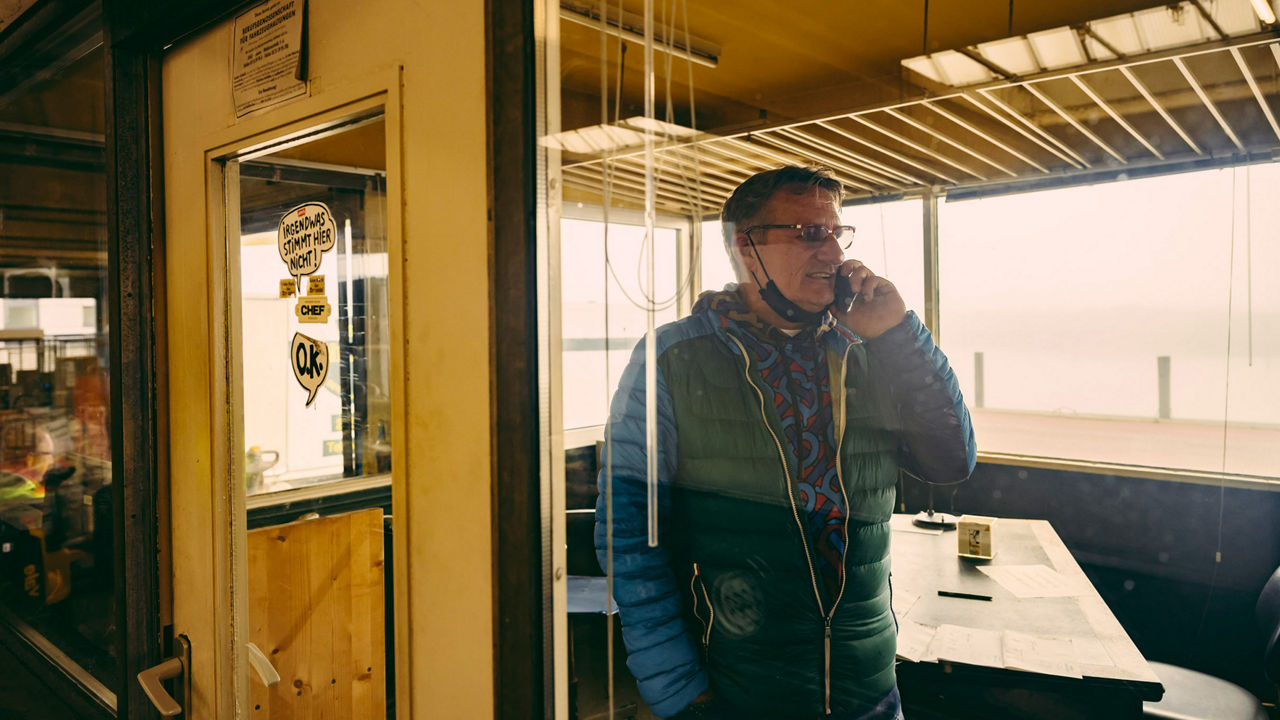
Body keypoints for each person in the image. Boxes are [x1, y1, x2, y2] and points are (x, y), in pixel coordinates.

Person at [595, 166, 976, 719]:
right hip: (736, 694)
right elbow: (630, 534)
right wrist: (678, 691)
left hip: (868, 692)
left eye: (837, 234)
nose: (833, 254)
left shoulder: (871, 348)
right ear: (746, 248)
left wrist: (900, 334)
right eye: (808, 233)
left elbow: (951, 462)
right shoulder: (672, 357)